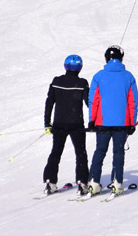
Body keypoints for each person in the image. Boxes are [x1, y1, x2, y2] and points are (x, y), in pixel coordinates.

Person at [87, 45, 138, 196]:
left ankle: (94, 182)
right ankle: (117, 182)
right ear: (121, 58)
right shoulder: (128, 76)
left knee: (100, 151)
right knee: (118, 153)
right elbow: (132, 102)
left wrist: (92, 120)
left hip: (102, 122)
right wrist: (132, 123)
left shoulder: (98, 76)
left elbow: (94, 100)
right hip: (122, 123)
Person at [43, 54, 90, 195]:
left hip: (59, 123)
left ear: (66, 66)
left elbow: (49, 102)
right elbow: (89, 103)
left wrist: (47, 123)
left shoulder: (57, 81)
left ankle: (50, 181)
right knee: (80, 153)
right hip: (77, 123)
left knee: (56, 152)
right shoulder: (82, 83)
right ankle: (82, 181)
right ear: (80, 68)